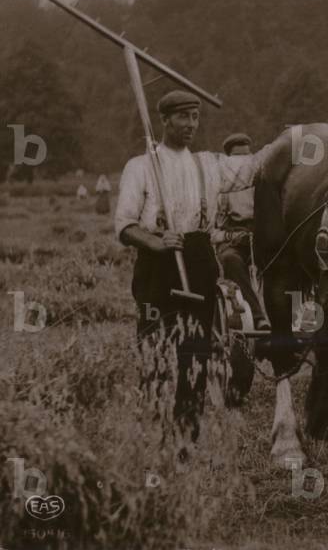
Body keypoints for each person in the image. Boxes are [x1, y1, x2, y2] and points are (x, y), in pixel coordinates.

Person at [115, 90, 271, 450]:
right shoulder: (141, 166)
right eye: (183, 117)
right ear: (165, 120)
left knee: (195, 352)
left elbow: (254, 167)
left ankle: (186, 435)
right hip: (158, 267)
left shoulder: (209, 163)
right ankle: (155, 433)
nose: (190, 124)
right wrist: (154, 241)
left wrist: (295, 140)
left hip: (199, 260)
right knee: (156, 348)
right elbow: (124, 224)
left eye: (196, 117)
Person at [213, 132, 270, 330]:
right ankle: (257, 316)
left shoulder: (263, 181)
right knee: (231, 260)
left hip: (262, 236)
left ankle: (297, 317)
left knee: (285, 260)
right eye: (237, 159)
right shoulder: (219, 188)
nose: (242, 165)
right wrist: (231, 236)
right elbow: (211, 232)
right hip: (233, 240)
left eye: (247, 159)